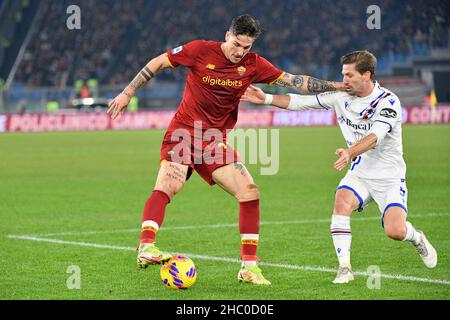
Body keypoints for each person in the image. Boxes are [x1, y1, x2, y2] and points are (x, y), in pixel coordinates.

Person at [107, 15, 344, 285]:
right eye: (237, 44)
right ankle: (147, 247)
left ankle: (249, 268)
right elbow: (158, 62)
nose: (240, 52)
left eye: (247, 47)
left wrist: (334, 86)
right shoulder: (199, 50)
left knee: (249, 192)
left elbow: (293, 81)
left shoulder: (254, 65)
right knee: (169, 185)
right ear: (227, 35)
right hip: (183, 132)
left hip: (213, 141)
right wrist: (128, 92)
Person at [241, 50, 438, 284]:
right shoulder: (340, 96)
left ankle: (417, 238)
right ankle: (345, 268)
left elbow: (376, 135)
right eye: (343, 74)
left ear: (367, 75)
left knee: (395, 231)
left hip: (389, 177)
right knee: (341, 201)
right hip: (360, 173)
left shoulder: (387, 101)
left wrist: (350, 151)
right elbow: (301, 102)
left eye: (350, 75)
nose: (344, 80)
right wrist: (266, 99)